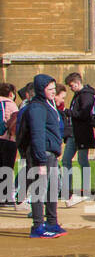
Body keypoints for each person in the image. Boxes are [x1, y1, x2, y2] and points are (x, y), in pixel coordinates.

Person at [17, 74, 66, 237]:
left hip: (49, 152)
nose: (53, 92)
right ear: (41, 89)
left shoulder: (47, 104)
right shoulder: (37, 107)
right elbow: (37, 134)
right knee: (40, 190)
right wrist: (40, 161)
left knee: (52, 189)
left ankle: (51, 222)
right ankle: (38, 226)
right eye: (50, 89)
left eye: (54, 89)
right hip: (41, 154)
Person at [62, 73, 95, 204]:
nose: (71, 88)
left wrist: (68, 112)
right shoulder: (78, 95)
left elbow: (84, 114)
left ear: (77, 83)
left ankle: (86, 190)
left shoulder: (86, 95)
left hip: (82, 132)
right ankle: (66, 190)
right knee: (66, 160)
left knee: (82, 161)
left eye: (71, 86)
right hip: (74, 132)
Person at [0, 83, 19, 206]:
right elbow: (16, 121)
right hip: (8, 139)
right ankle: (6, 197)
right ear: (11, 93)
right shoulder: (11, 105)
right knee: (7, 169)